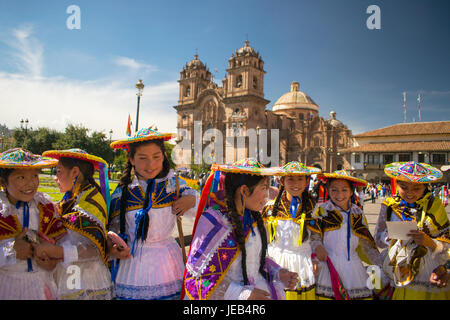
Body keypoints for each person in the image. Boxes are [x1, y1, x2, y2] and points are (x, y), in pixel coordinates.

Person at [182, 158, 298, 300]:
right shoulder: (215, 222)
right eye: (263, 188)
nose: (267, 196)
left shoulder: (252, 218)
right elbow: (196, 278)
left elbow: (255, 260)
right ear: (244, 190)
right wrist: (241, 294)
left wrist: (278, 273)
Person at [108, 127, 199, 300]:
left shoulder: (173, 184)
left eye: (156, 157)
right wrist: (112, 246)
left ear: (164, 156)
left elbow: (200, 206)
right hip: (131, 265)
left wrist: (191, 200)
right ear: (131, 159)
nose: (150, 165)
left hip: (166, 264)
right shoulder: (122, 192)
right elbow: (111, 228)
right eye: (142, 158)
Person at [34, 148, 113, 300]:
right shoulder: (72, 198)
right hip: (72, 272)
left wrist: (57, 252)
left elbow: (95, 249)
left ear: (75, 172)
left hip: (84, 277)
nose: (55, 178)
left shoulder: (90, 203)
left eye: (58, 172)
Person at [375, 161, 450, 300]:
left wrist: (430, 242)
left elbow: (446, 241)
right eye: (404, 187)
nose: (410, 193)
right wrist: (390, 238)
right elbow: (378, 239)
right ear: (397, 185)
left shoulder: (434, 206)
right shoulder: (389, 206)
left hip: (429, 270)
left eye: (416, 188)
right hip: (398, 266)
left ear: (425, 187)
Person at [0, 148, 66, 299]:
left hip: (40, 286)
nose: (31, 183)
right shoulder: (2, 210)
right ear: (3, 182)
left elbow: (57, 242)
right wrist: (12, 251)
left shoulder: (44, 207)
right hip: (7, 285)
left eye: (35, 175)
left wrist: (51, 261)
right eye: (21, 177)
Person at [309, 170, 384, 300]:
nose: (339, 195)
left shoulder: (357, 213)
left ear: (351, 191)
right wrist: (317, 248)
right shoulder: (321, 211)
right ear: (328, 190)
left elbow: (366, 243)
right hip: (328, 265)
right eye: (334, 190)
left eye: (344, 190)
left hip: (354, 268)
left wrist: (381, 264)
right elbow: (313, 236)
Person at [262, 161, 321, 300]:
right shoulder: (269, 208)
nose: (296, 183)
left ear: (307, 181)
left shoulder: (313, 209)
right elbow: (264, 238)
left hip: (302, 262)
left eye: (300, 178)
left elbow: (316, 237)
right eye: (290, 179)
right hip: (276, 262)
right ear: (282, 181)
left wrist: (315, 258)